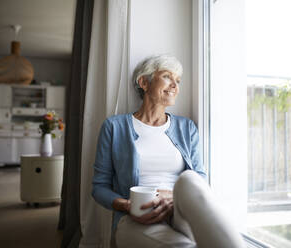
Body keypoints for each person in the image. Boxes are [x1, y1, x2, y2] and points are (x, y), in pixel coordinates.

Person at [92, 55, 245, 247]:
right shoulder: (114, 127)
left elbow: (200, 179)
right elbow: (99, 187)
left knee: (190, 180)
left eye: (178, 81)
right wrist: (128, 205)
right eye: (167, 76)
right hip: (138, 215)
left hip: (178, 208)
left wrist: (171, 198)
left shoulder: (186, 127)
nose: (174, 85)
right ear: (144, 82)